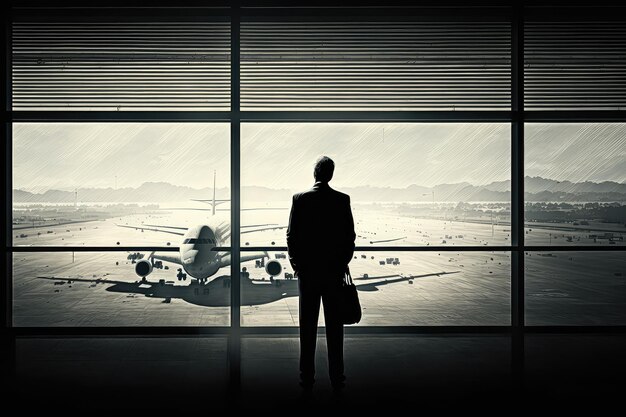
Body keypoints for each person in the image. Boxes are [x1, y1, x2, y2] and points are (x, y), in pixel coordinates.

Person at [286, 156, 356, 390]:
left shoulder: (300, 199)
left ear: (314, 173)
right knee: (335, 330)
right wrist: (340, 263)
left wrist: (297, 265)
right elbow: (349, 238)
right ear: (331, 175)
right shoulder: (342, 200)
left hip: (308, 275)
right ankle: (337, 377)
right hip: (333, 274)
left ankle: (306, 377)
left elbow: (291, 237)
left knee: (307, 329)